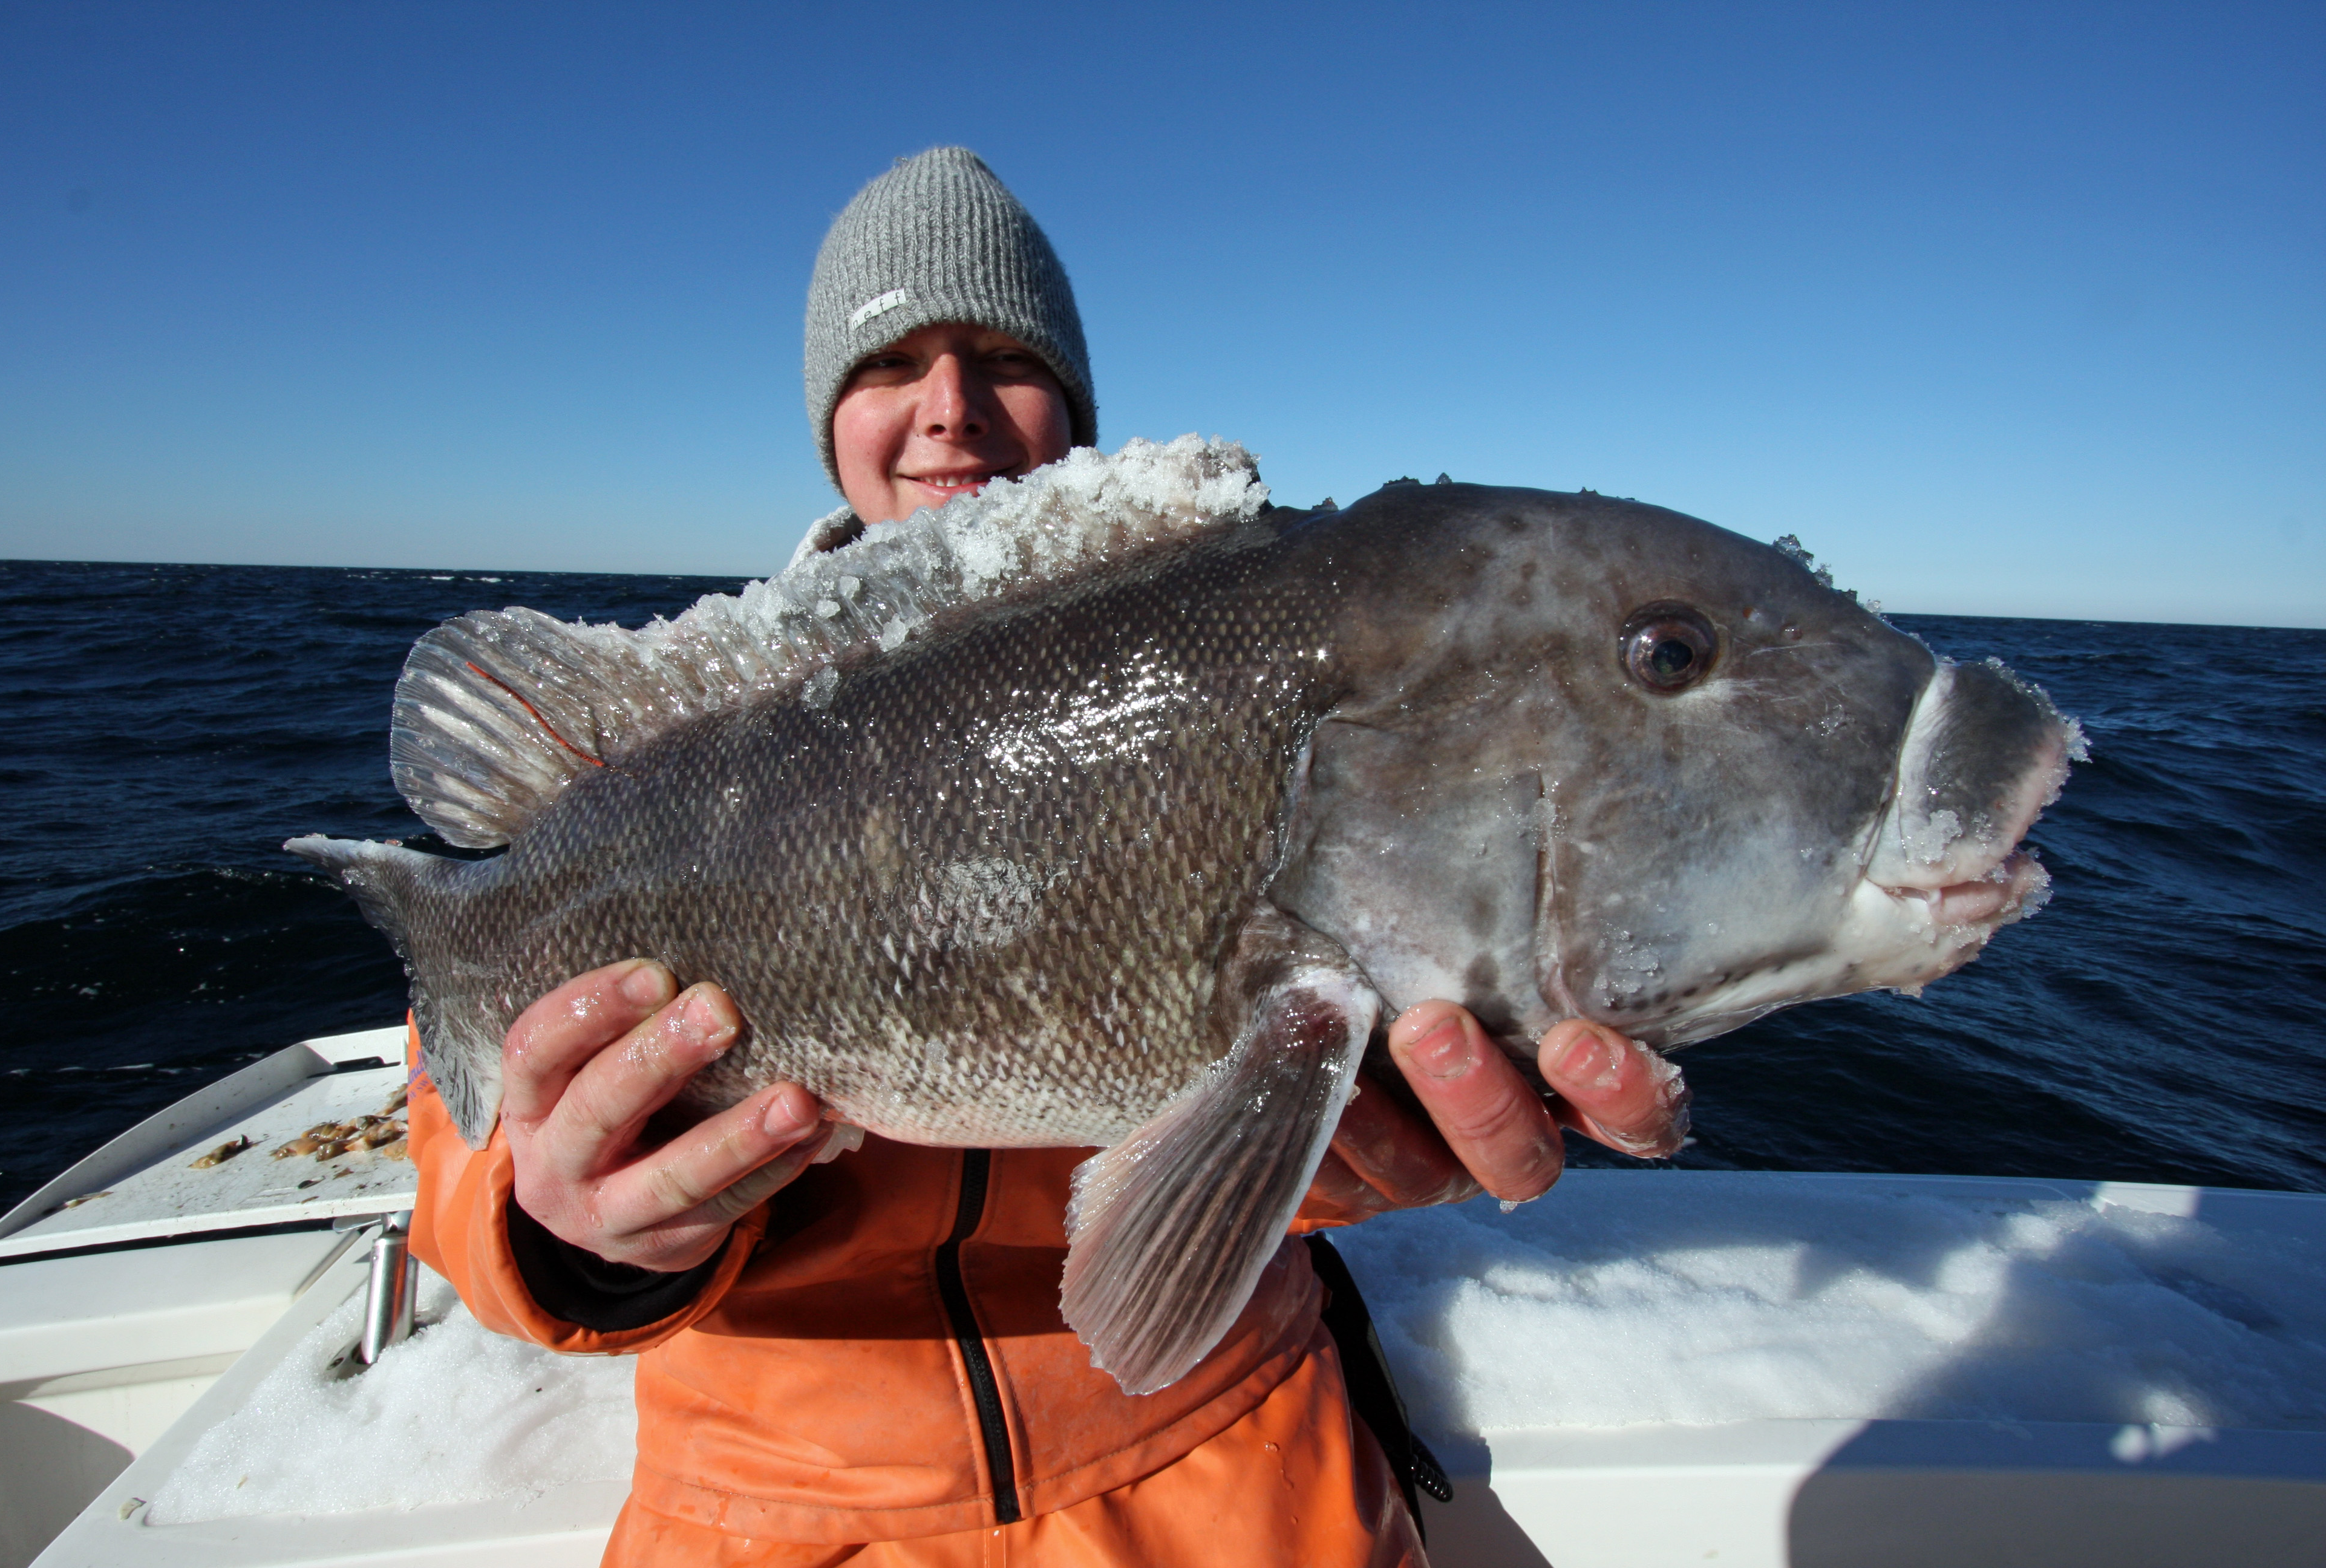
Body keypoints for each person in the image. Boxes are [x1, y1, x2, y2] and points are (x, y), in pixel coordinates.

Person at [407, 148, 1690, 1567]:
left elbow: (1237, 1132)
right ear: (829, 420)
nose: (950, 409)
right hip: (788, 1514)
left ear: (1074, 408)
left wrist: (1385, 1132)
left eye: (1004, 356)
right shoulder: (680, 755)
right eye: (890, 364)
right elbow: (470, 1158)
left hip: (1237, 1458)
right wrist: (578, 1228)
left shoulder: (1256, 650)